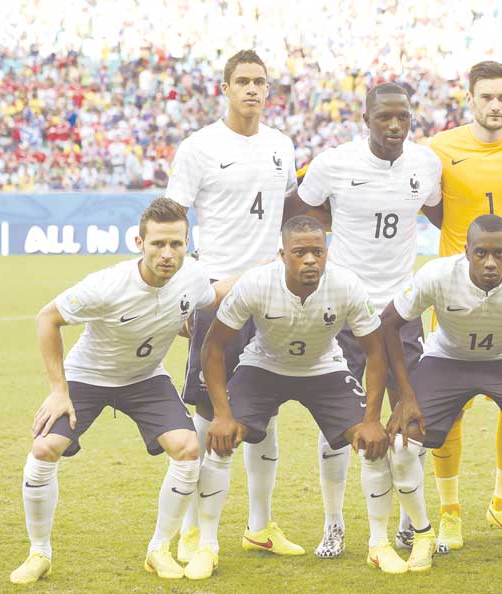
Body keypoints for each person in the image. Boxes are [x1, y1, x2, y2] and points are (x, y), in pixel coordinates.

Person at [189, 215, 436, 578]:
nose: (310, 260)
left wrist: (371, 419)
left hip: (324, 368)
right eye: (300, 252)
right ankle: (206, 546)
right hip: (263, 366)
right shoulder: (256, 283)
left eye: (317, 252)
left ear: (326, 253)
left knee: (374, 443)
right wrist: (222, 414)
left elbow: (375, 352)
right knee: (221, 440)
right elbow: (212, 347)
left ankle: (378, 544)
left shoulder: (346, 284)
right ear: (282, 255)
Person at [9, 198, 231, 584]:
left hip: (145, 378)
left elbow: (212, 296)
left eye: (175, 244)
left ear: (187, 243)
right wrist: (59, 390)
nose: (167, 253)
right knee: (44, 449)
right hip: (87, 377)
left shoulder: (193, 276)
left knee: (187, 449)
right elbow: (48, 318)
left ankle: (159, 549)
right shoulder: (107, 285)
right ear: (139, 243)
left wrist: (265, 269)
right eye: (157, 244)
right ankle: (39, 552)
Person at [379, 214, 502, 571]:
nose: (490, 262)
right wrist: (406, 395)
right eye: (481, 253)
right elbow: (388, 323)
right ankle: (423, 535)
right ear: (467, 251)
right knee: (401, 444)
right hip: (447, 359)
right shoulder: (437, 275)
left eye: (499, 254)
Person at [165, 49, 303, 561]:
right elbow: (172, 221)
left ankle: (260, 526)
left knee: (264, 413)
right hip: (218, 295)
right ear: (224, 88)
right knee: (209, 416)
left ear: (268, 90)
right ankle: (194, 531)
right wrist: (183, 294)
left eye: (259, 82)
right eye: (242, 81)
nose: (251, 89)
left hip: (271, 296)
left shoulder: (281, 145)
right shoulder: (199, 147)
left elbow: (291, 211)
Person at [298, 81, 443, 556]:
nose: (395, 125)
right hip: (343, 309)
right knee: (337, 422)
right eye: (384, 117)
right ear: (366, 120)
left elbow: (441, 212)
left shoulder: (425, 163)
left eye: (403, 117)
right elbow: (303, 210)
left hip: (400, 311)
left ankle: (409, 523)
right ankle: (333, 524)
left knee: (411, 419)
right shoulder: (334, 163)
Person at [427, 61, 502, 549]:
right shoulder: (440, 148)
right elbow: (433, 209)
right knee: (448, 406)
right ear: (470, 99)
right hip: (452, 295)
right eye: (486, 97)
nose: (495, 105)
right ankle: (449, 511)